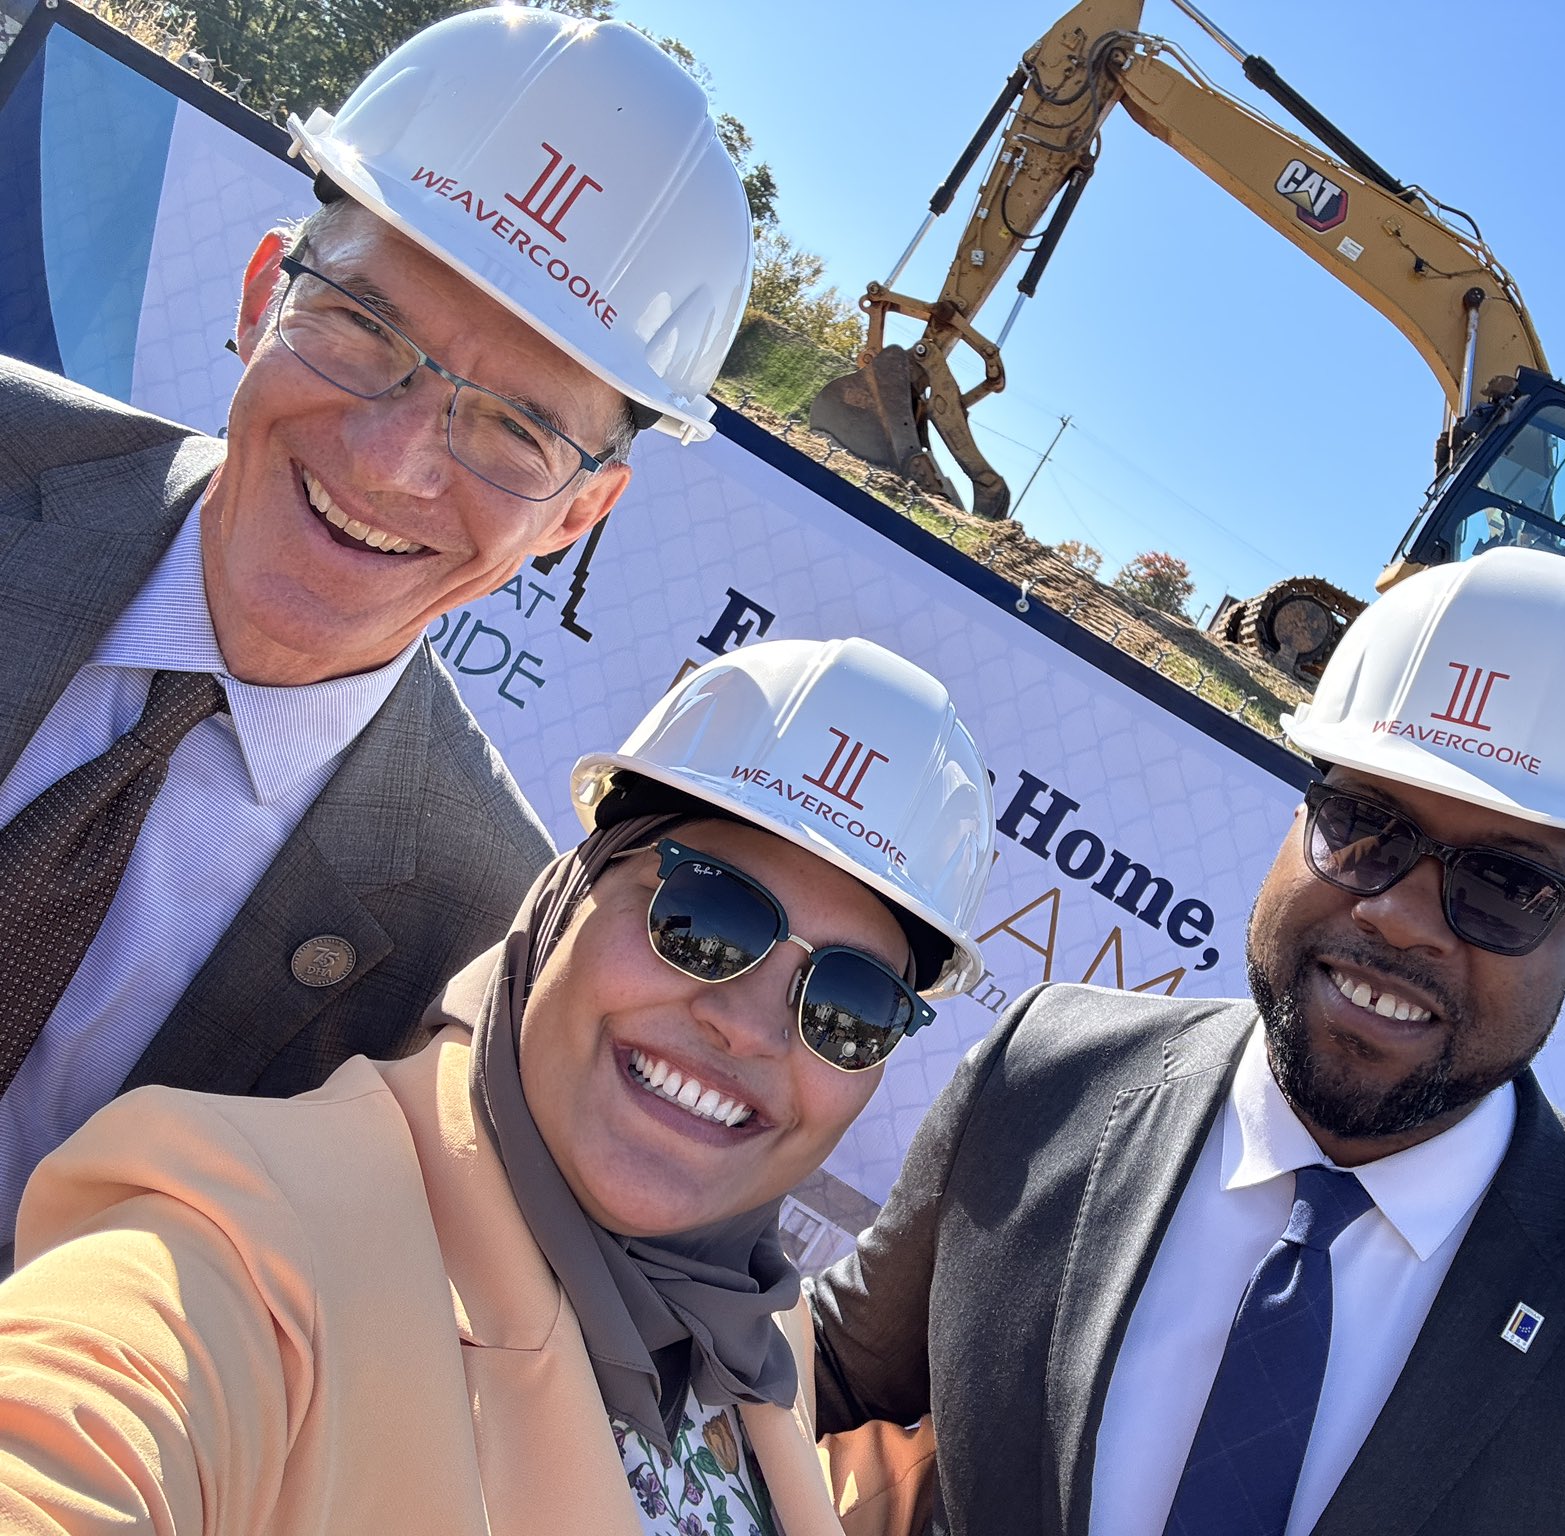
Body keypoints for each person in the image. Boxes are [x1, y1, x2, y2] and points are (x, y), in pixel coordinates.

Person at [808, 548, 1565, 1536]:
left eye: (1504, 885)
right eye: (1364, 824)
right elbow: (822, 1371)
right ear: (1296, 823)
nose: (1401, 917)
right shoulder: (1044, 1075)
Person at [0, 6, 753, 1243]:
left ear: (580, 515)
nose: (394, 462)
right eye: (363, 328)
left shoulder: (481, 938)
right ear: (260, 296)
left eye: (516, 427)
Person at [0, 635, 996, 1535]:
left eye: (848, 1006)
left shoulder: (753, 1324)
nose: (744, 1026)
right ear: (569, 896)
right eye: (706, 919)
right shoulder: (248, 1244)